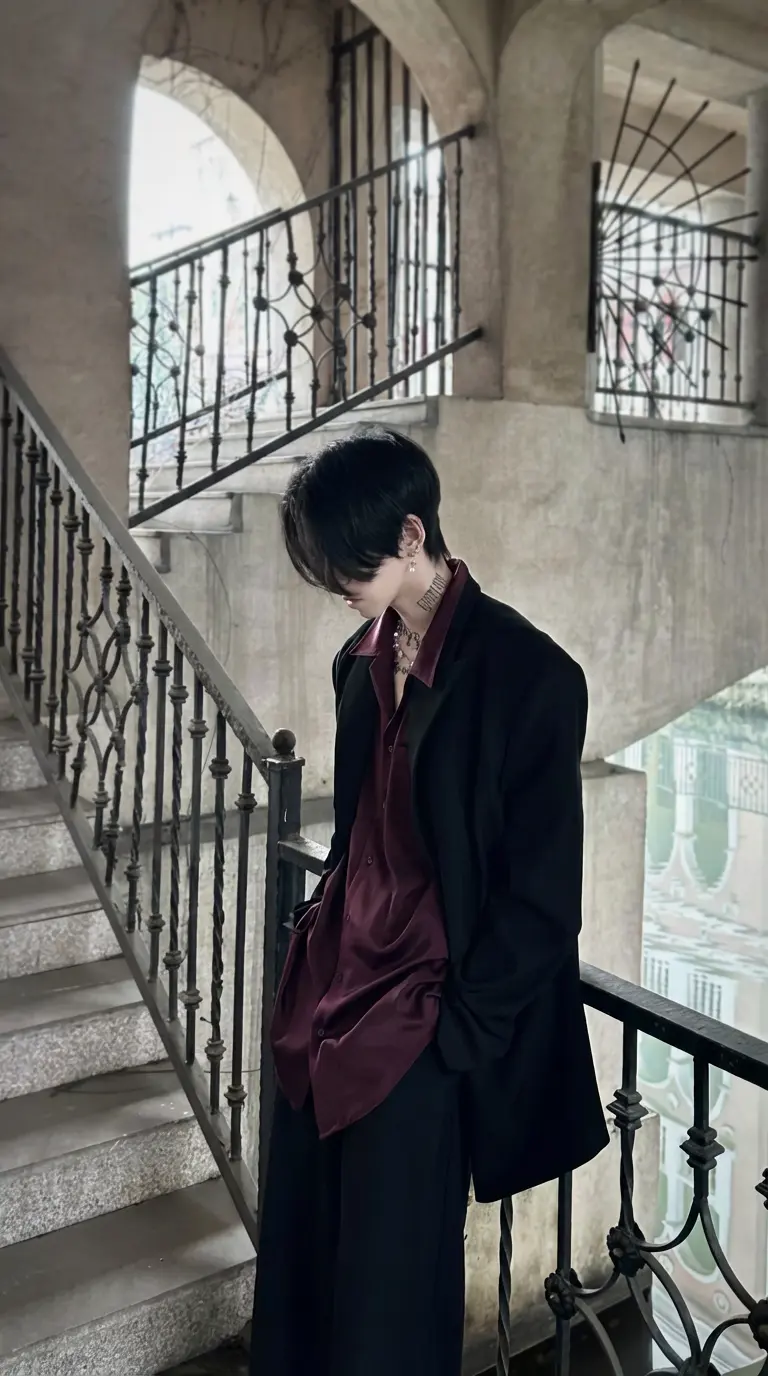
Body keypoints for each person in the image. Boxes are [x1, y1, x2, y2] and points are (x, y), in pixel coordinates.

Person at [250, 426, 608, 1376]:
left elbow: (542, 898)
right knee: (302, 1261)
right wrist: (314, 946)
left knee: (391, 1289)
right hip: (330, 990)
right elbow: (361, 835)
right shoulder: (357, 663)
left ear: (412, 534)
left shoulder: (531, 676)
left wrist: (456, 1032)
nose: (336, 584)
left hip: (424, 1020)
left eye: (348, 564)